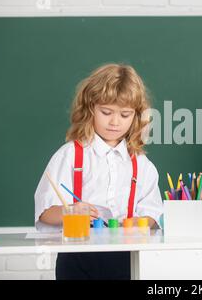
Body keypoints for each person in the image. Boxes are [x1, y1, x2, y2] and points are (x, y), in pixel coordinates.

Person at [34, 63, 163, 280]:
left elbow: (152, 214)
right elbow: (45, 214)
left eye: (125, 115)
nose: (115, 122)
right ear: (90, 108)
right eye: (106, 112)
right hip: (76, 257)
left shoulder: (141, 164)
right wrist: (71, 211)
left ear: (136, 116)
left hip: (126, 257)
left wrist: (137, 223)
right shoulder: (69, 156)